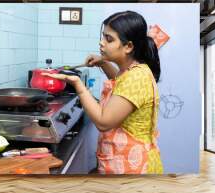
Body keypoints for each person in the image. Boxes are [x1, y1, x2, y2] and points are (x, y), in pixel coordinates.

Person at [44, 11, 163, 174]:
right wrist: (103, 63)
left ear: (128, 46)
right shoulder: (133, 71)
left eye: (109, 39)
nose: (101, 43)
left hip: (133, 168)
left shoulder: (136, 77)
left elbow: (103, 121)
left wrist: (78, 85)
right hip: (124, 162)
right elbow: (122, 90)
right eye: (103, 36)